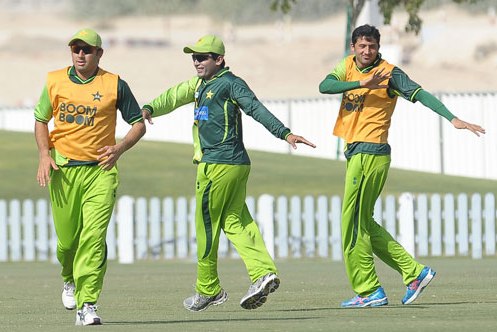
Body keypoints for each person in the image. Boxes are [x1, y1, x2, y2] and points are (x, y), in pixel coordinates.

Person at [141, 35, 315, 312]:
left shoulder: (231, 83)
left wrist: (285, 133)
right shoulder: (200, 84)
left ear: (219, 59)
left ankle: (207, 289)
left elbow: (255, 108)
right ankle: (263, 273)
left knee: (206, 227)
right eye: (194, 57)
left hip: (219, 164)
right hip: (231, 164)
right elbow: (173, 96)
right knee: (235, 220)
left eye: (203, 57)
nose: (197, 61)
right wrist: (150, 108)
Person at [319, 24, 485, 308]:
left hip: (370, 154)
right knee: (365, 224)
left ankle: (370, 291)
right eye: (362, 46)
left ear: (378, 47)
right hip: (356, 154)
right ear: (353, 48)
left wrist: (452, 118)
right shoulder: (347, 66)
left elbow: (420, 93)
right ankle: (414, 272)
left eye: (371, 46)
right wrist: (362, 83)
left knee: (352, 226)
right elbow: (325, 86)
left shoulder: (389, 73)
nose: (367, 51)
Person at [34, 28, 146, 325]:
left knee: (93, 238)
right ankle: (69, 278)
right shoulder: (54, 80)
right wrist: (45, 155)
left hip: (101, 171)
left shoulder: (114, 84)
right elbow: (40, 119)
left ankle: (88, 304)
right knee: (68, 243)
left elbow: (137, 123)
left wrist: (119, 148)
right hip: (63, 170)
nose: (80, 54)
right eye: (76, 49)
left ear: (99, 53)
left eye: (87, 50)